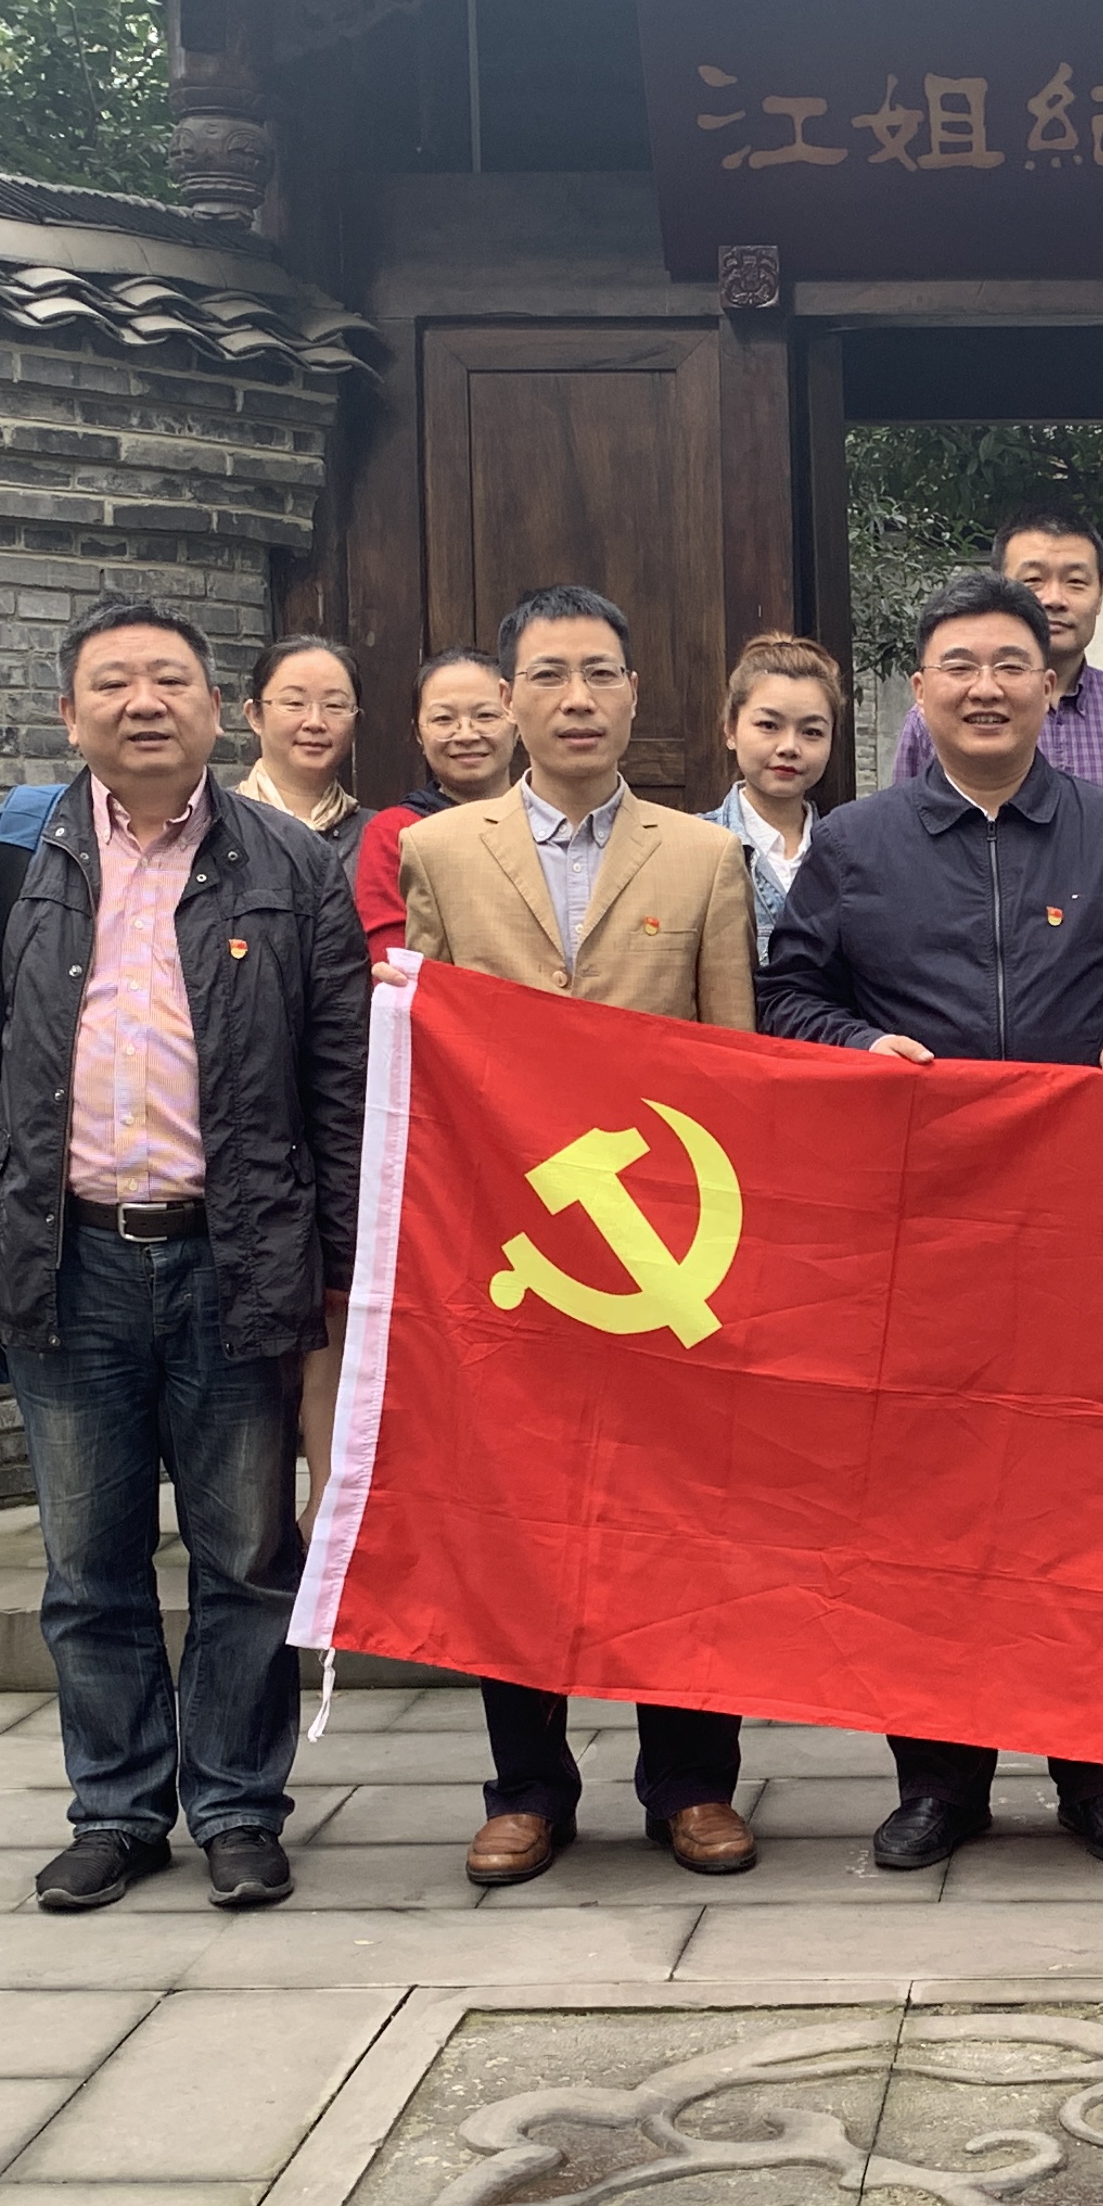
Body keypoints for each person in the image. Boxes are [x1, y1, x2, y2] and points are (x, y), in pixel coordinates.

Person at [0, 599, 366, 1916]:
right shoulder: (12, 854)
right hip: (68, 1260)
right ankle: (114, 1811)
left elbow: (338, 1083)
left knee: (244, 1557)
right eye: (112, 684)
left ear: (217, 710)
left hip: (238, 1260)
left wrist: (338, 1268)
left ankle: (237, 1808)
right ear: (71, 716)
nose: (143, 703)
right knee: (88, 1565)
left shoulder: (292, 864)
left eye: (170, 680)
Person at [763, 568, 1103, 1870]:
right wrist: (863, 1048)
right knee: (926, 1513)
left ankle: (1096, 1771)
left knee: (1091, 1506)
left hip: (1089, 1232)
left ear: (1049, 684)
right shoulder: (857, 847)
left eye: (1010, 664)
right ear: (920, 690)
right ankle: (940, 1780)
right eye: (958, 665)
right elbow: (788, 998)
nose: (985, 687)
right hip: (919, 1235)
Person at [398, 585, 769, 1886]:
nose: (576, 699)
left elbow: (735, 1068)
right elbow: (427, 1064)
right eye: (549, 675)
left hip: (666, 1250)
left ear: (635, 693)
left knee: (683, 1517)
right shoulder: (443, 853)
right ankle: (526, 1788)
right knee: (514, 1517)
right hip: (513, 1249)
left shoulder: (704, 859)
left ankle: (692, 1783)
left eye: (600, 673)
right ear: (508, 699)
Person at [884, 504, 1103, 801]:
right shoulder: (935, 719)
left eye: (1075, 582)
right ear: (999, 588)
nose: (1054, 599)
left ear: (1100, 594)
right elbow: (905, 821)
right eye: (1033, 580)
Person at [351, 650, 520, 968]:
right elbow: (394, 966)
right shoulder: (396, 832)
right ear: (419, 733)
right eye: (443, 719)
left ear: (517, 721)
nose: (467, 734)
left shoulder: (553, 821)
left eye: (486, 715)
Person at [706, 632, 844, 960]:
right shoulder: (692, 847)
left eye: (812, 732)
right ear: (730, 729)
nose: (789, 747)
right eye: (769, 725)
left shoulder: (854, 852)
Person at [239, 635, 369, 855]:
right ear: (255, 716)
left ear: (356, 720)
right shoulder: (213, 824)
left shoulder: (378, 836)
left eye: (334, 705)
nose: (315, 722)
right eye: (294, 703)